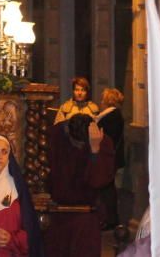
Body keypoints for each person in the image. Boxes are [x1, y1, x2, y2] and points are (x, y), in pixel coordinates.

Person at [44, 114, 115, 256]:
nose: (80, 147)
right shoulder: (54, 136)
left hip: (87, 216)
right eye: (77, 144)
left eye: (84, 145)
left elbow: (98, 181)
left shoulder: (103, 141)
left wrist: (94, 150)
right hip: (58, 213)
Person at [95, 87, 125, 230]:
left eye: (103, 99)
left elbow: (109, 139)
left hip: (108, 157)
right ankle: (108, 218)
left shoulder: (111, 117)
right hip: (109, 157)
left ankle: (110, 219)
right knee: (107, 188)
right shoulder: (111, 116)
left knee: (107, 188)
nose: (101, 102)